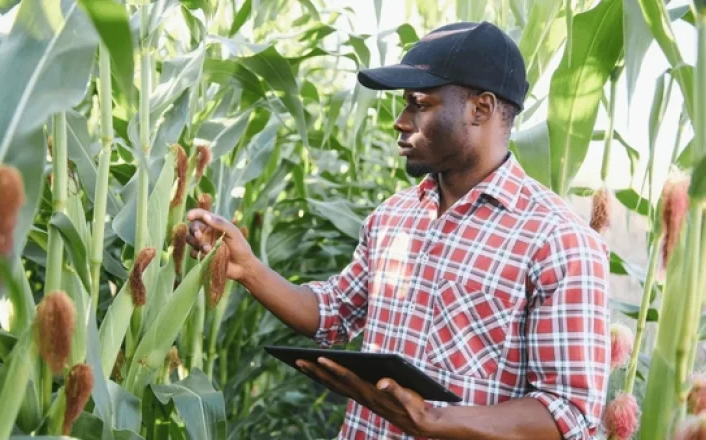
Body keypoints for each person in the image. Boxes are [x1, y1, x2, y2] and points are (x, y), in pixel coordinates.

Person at [185, 20, 610, 440]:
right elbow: (332, 313)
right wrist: (247, 268)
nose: (400, 121)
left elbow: (569, 412)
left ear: (480, 108)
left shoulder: (559, 241)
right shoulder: (394, 216)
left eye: (419, 104)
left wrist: (431, 422)